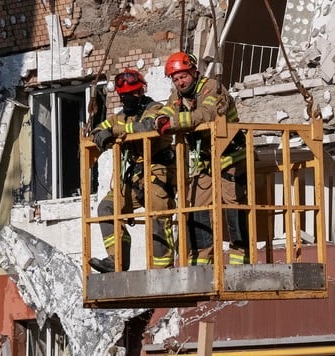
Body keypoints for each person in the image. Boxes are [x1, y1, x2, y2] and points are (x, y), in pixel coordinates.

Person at [155, 51, 249, 266]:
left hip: (231, 157)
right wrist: (159, 118)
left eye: (183, 76)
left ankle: (241, 258)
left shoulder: (213, 88)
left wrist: (173, 123)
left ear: (194, 72)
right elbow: (167, 111)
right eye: (176, 79)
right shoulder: (178, 97)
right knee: (196, 207)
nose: (180, 82)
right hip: (206, 161)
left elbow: (206, 114)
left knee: (234, 206)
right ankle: (201, 260)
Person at [89, 68, 176, 273]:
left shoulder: (156, 109)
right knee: (106, 209)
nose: (129, 98)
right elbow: (98, 129)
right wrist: (101, 133)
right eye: (125, 96)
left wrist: (114, 132)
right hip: (135, 175)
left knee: (158, 212)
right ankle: (116, 259)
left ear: (141, 91)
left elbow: (147, 127)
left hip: (159, 170)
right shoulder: (120, 117)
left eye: (133, 94)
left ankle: (162, 268)